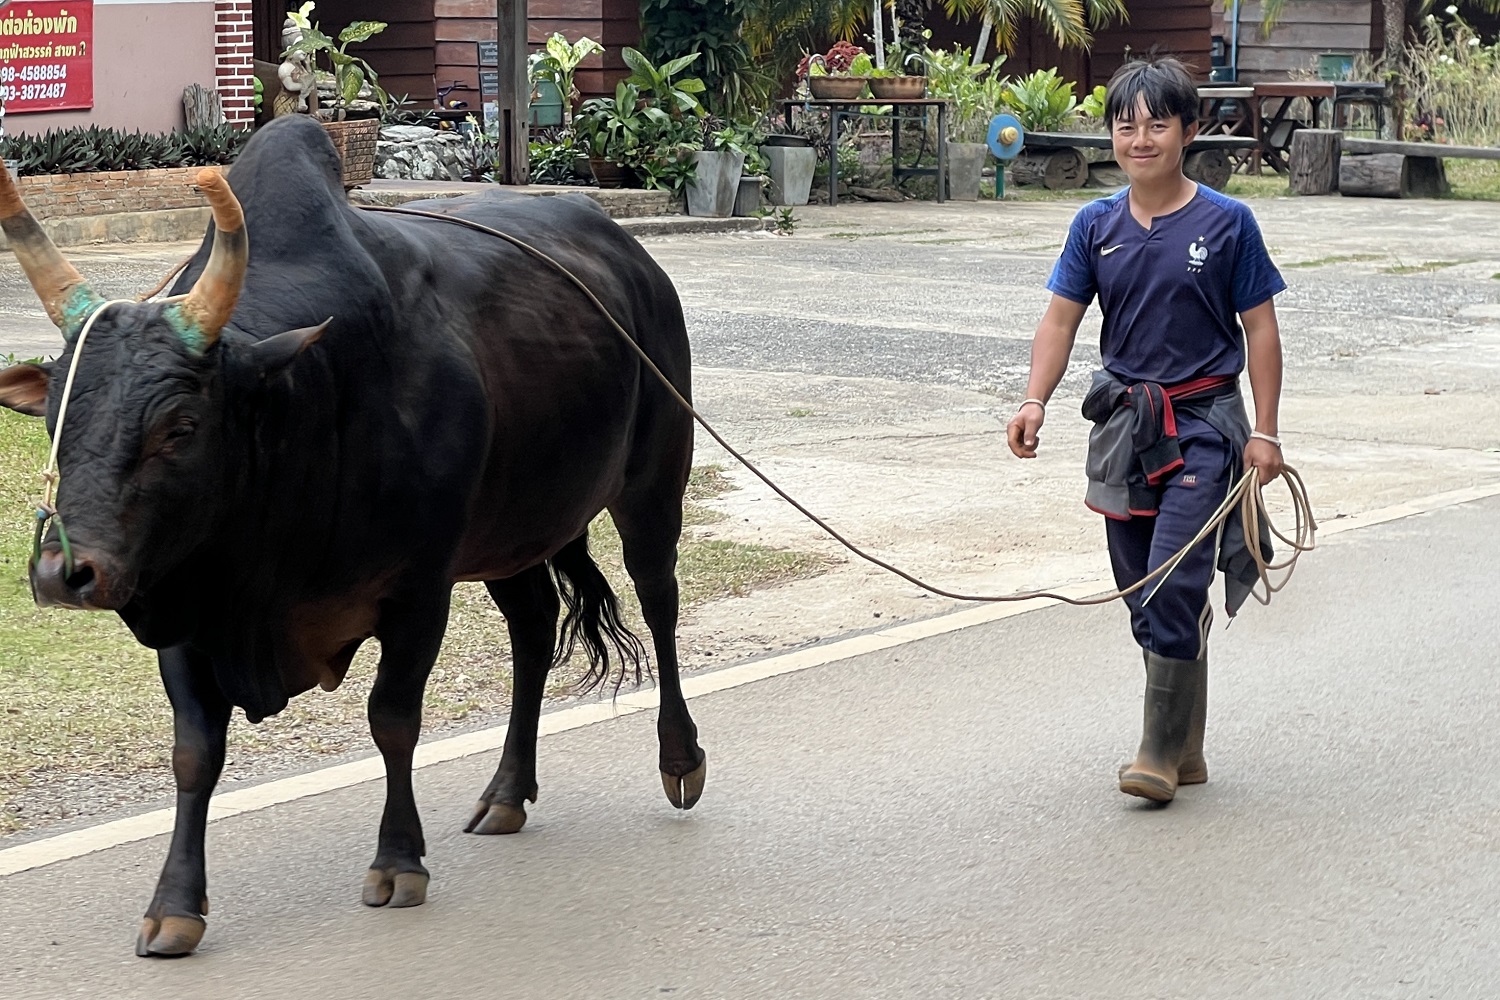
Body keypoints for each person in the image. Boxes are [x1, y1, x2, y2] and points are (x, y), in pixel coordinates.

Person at [1006, 57, 1287, 804]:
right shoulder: (1092, 225)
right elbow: (1060, 319)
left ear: (1188, 132)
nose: (1140, 138)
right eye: (1125, 124)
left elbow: (1260, 330)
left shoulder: (1229, 223)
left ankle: (1157, 753)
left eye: (1157, 123)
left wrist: (1267, 432)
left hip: (1204, 426)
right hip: (1124, 429)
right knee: (1140, 586)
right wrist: (1034, 400)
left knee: (1168, 579)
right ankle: (1187, 746)